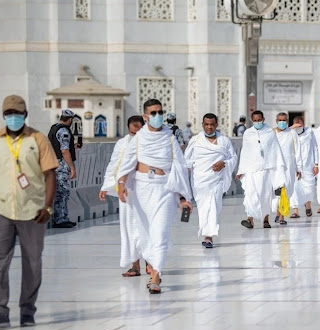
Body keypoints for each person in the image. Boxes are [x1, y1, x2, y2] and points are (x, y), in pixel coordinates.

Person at [0, 95, 58, 328]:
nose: (13, 117)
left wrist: (48, 206)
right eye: (9, 113)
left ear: (25, 115)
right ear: (4, 116)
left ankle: (27, 311)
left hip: (33, 211)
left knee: (32, 263)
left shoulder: (38, 139)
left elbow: (50, 174)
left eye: (18, 113)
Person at [116, 99, 193, 294]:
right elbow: (127, 164)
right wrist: (121, 184)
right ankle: (152, 266)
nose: (157, 116)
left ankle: (156, 276)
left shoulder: (170, 138)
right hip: (142, 190)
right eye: (153, 113)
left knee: (160, 233)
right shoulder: (139, 138)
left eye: (160, 112)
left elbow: (180, 167)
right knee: (146, 234)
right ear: (145, 116)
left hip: (164, 189)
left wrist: (183, 197)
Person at [99, 115, 146, 277]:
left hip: (146, 189)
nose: (135, 132)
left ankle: (151, 264)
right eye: (133, 130)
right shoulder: (122, 143)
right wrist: (106, 186)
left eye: (138, 128)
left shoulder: (149, 141)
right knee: (130, 228)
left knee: (146, 227)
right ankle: (135, 265)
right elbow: (114, 164)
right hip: (126, 190)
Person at [185, 113, 237, 248]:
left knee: (213, 205)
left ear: (216, 125)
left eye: (212, 124)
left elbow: (233, 158)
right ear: (202, 125)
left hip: (216, 180)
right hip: (200, 181)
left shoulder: (224, 141)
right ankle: (206, 233)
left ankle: (208, 237)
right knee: (203, 208)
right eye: (206, 124)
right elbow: (186, 161)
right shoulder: (195, 141)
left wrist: (223, 163)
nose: (209, 127)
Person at [236, 110, 286, 229]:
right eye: (255, 120)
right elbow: (245, 152)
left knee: (265, 195)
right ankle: (250, 219)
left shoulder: (270, 132)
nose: (257, 122)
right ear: (252, 120)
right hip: (251, 170)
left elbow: (276, 151)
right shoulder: (248, 133)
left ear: (263, 119)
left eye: (259, 120)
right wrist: (241, 169)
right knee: (250, 194)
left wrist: (278, 169)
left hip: (266, 170)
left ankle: (265, 220)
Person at [48, 110, 78, 228]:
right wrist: (72, 167)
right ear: (70, 119)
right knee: (62, 191)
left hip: (52, 162)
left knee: (59, 191)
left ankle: (61, 218)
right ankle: (60, 219)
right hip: (61, 164)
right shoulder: (64, 130)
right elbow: (64, 150)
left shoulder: (54, 128)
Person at [272, 112, 302, 225]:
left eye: (284, 120)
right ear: (276, 121)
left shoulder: (292, 133)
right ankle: (279, 214)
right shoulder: (272, 133)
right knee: (279, 190)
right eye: (280, 120)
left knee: (286, 190)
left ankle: (281, 215)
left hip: (289, 166)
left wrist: (299, 168)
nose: (282, 122)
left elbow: (297, 151)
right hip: (276, 166)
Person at [289, 115, 318, 218]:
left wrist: (316, 164)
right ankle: (295, 211)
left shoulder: (310, 133)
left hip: (308, 166)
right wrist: (291, 128)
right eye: (296, 125)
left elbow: (315, 148)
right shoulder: (290, 134)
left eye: (300, 125)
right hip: (295, 167)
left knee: (309, 188)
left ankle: (308, 206)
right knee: (295, 189)